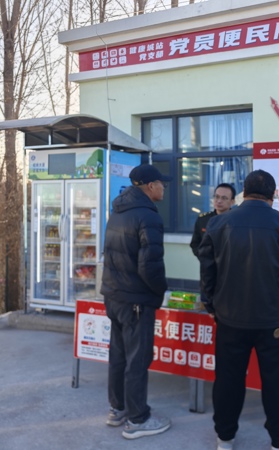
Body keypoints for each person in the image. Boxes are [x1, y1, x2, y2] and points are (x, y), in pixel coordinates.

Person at [199, 170, 279, 450]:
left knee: (228, 380)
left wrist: (210, 304)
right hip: (275, 320)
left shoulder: (218, 223)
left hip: (230, 318)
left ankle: (224, 439)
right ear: (273, 195)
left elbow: (207, 269)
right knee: (276, 383)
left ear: (244, 193)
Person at [101, 163, 172, 440]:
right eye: (161, 183)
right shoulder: (148, 215)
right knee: (137, 359)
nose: (164, 188)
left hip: (114, 295)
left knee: (119, 355)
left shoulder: (118, 210)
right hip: (136, 300)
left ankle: (117, 409)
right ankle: (137, 419)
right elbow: (150, 266)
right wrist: (159, 292)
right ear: (150, 186)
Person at [190, 183, 236, 260]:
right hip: (209, 264)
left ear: (232, 202)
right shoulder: (203, 220)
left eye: (224, 198)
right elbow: (195, 244)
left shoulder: (237, 220)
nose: (219, 201)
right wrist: (205, 258)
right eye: (216, 197)